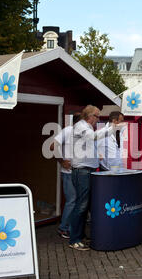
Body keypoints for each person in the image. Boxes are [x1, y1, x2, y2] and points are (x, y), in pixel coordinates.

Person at [68, 105, 124, 251]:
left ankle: (79, 235)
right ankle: (74, 238)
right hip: (82, 170)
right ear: (90, 116)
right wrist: (112, 128)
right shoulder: (81, 126)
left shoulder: (85, 126)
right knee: (81, 205)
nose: (98, 119)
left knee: (84, 205)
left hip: (88, 170)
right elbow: (93, 137)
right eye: (97, 116)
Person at [51, 112, 81, 239]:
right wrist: (61, 161)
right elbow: (52, 146)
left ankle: (71, 227)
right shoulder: (68, 130)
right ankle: (63, 228)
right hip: (68, 173)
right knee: (72, 201)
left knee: (77, 201)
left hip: (79, 173)